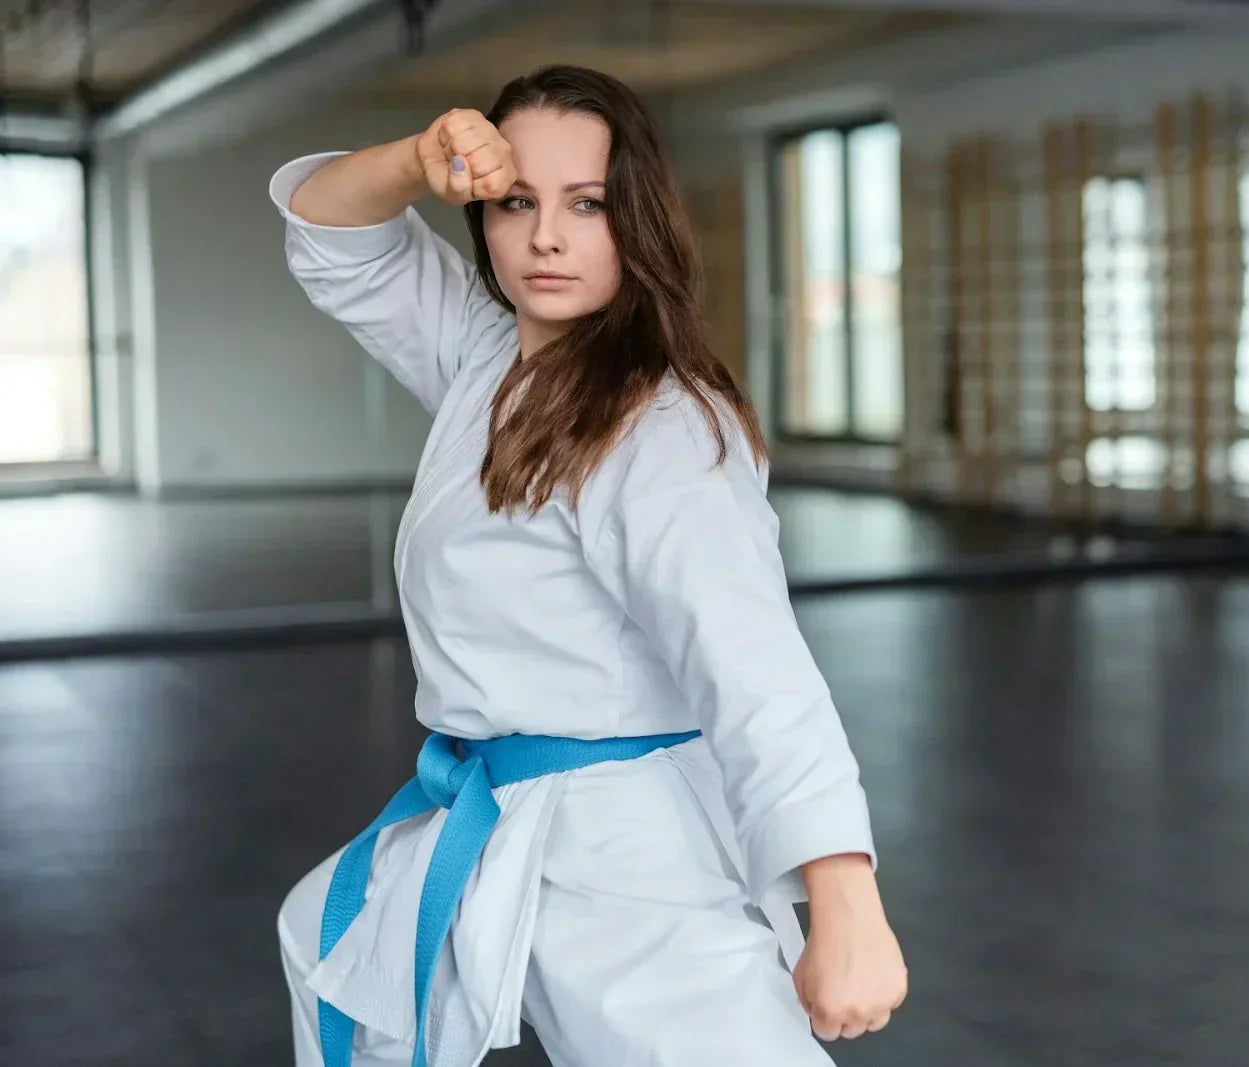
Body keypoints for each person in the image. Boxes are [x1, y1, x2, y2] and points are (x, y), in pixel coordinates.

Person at [268, 64, 906, 1067]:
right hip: (494, 815)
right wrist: (416, 158)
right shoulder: (488, 359)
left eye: (587, 204)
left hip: (627, 848)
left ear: (637, 220)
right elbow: (331, 233)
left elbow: (752, 665)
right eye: (517, 202)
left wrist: (846, 896)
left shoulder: (662, 426)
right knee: (333, 939)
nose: (546, 237)